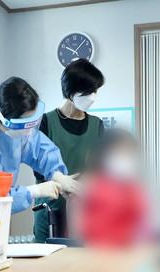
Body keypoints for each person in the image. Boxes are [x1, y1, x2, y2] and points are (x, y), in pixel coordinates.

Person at [0, 77, 80, 214]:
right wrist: (34, 191)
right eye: (24, 124)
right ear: (6, 120)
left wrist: (57, 175)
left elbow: (40, 148)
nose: (29, 132)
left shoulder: (14, 132)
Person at [33, 59, 105, 242]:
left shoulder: (97, 125)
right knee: (48, 257)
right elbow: (39, 169)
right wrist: (62, 182)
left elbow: (101, 169)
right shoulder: (46, 122)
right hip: (51, 208)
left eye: (95, 91)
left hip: (84, 210)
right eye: (88, 91)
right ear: (71, 91)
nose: (92, 97)